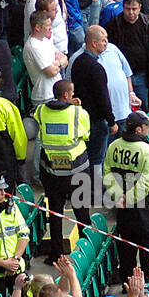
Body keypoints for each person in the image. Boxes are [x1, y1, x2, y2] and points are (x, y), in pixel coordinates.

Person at [33, 78, 90, 263]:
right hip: (77, 172)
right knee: (82, 214)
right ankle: (86, 253)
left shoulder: (41, 111)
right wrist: (75, 107)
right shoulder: (77, 113)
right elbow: (86, 134)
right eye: (72, 93)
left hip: (51, 173)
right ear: (66, 95)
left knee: (55, 213)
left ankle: (56, 254)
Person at [104, 111, 149, 282]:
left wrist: (119, 196)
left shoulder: (114, 146)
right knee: (148, 250)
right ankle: (146, 286)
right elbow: (145, 182)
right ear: (137, 129)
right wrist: (129, 199)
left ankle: (127, 283)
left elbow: (107, 172)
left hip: (123, 209)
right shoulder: (147, 150)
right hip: (144, 209)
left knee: (126, 247)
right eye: (146, 126)